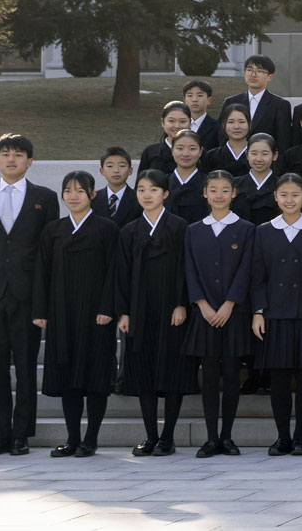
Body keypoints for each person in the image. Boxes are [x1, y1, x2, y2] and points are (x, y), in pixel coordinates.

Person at [0, 132, 60, 457]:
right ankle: (0, 434)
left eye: (18, 154)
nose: (11, 159)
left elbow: (49, 252)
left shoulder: (44, 198)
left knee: (25, 364)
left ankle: (21, 435)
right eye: (5, 153)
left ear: (29, 161)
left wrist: (44, 296)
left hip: (27, 294)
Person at [31, 170, 120, 458]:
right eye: (68, 190)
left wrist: (108, 308)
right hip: (61, 314)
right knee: (67, 376)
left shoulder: (107, 229)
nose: (73, 195)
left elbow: (114, 273)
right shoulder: (53, 230)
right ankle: (72, 438)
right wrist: (40, 311)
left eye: (80, 190)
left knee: (94, 378)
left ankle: (90, 439)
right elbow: (42, 272)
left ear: (93, 195)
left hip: (96, 316)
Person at [112, 169, 197, 456]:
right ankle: (150, 436)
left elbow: (188, 269)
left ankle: (168, 437)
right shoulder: (129, 231)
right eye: (141, 190)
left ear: (165, 194)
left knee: (171, 372)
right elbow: (121, 274)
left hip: (171, 310)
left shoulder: (179, 226)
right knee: (143, 373)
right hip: (139, 310)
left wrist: (182, 304)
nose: (146, 195)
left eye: (153, 190)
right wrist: (123, 312)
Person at [249, 173, 302, 457]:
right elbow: (257, 275)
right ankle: (282, 437)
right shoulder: (264, 231)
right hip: (275, 314)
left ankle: (301, 437)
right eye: (284, 195)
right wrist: (258, 311)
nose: (290, 200)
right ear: (276, 197)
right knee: (279, 378)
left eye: (295, 194)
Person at [183, 171, 255, 459]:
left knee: (231, 374)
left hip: (233, 314)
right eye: (213, 190)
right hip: (205, 314)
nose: (219, 195)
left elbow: (246, 270)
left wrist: (229, 304)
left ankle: (227, 436)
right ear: (205, 193)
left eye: (225, 190)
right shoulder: (194, 230)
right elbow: (190, 270)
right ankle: (211, 438)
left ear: (233, 194)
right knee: (210, 376)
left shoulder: (246, 229)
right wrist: (202, 304)